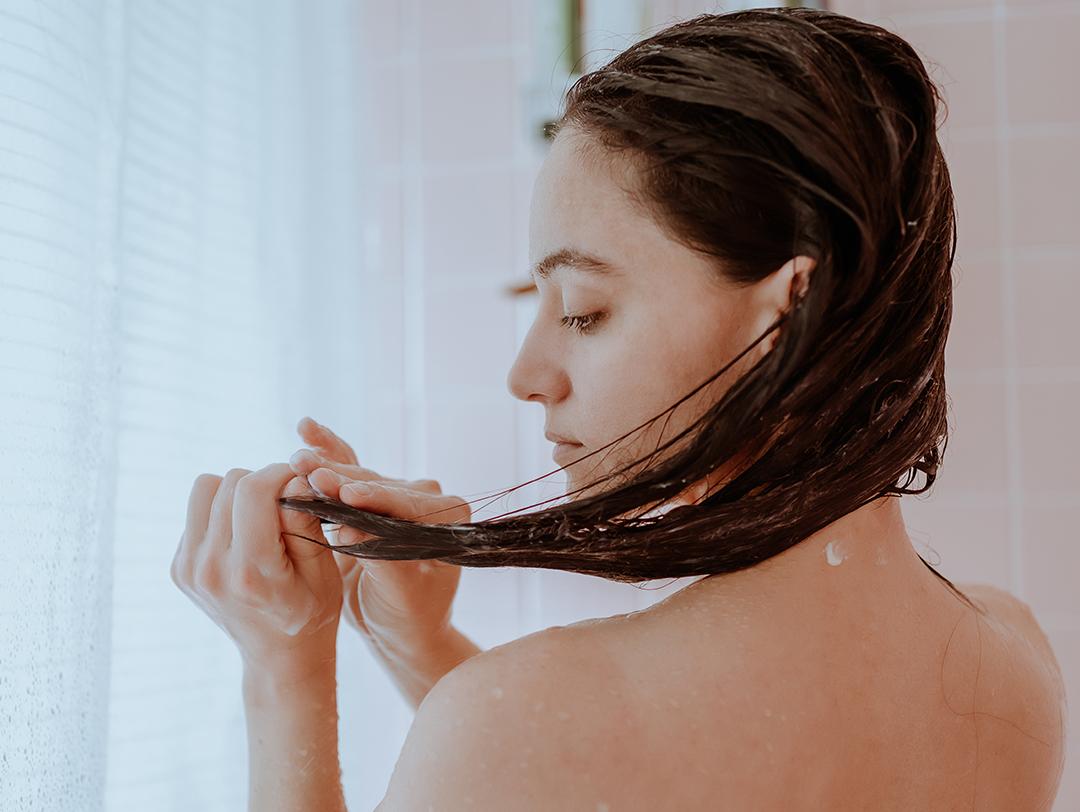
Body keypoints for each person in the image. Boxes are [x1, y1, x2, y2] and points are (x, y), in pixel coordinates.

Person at [171, 8, 1067, 810]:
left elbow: (569, 760)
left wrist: (283, 673)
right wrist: (425, 643)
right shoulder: (1012, 665)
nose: (526, 374)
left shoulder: (519, 715)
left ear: (791, 309)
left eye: (582, 311)